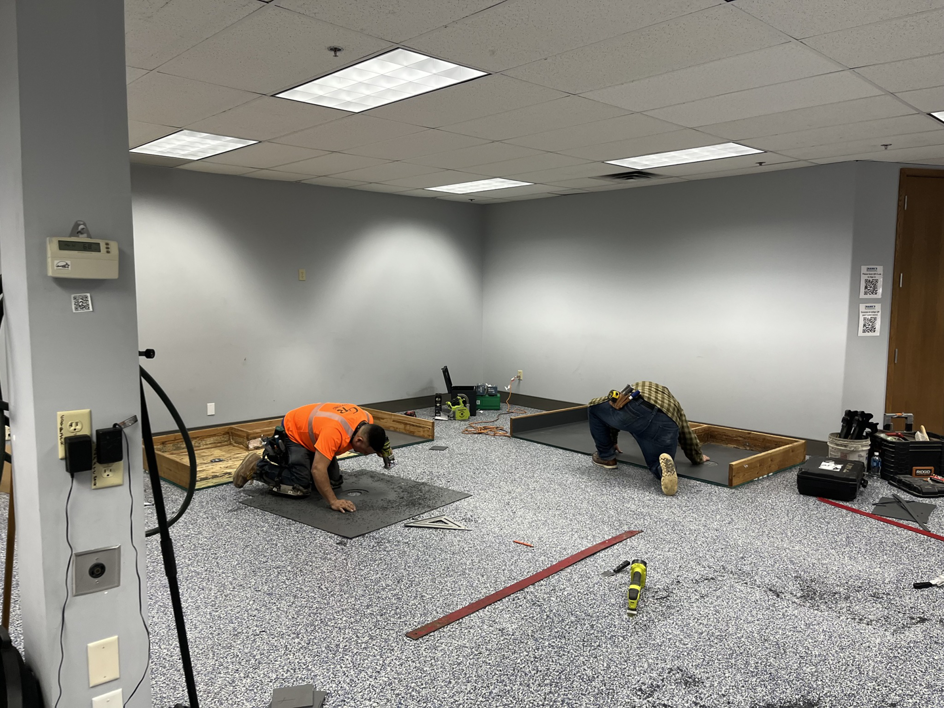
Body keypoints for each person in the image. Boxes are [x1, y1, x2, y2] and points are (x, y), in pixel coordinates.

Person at [233, 403, 392, 513]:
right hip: (295, 431)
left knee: (333, 482)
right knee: (301, 486)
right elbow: (318, 469)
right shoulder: (335, 433)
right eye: (365, 451)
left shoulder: (367, 421)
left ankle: (305, 461)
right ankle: (257, 467)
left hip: (317, 433)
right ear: (359, 440)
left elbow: (379, 438)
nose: (365, 454)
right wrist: (333, 502)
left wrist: (383, 451)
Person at [587, 382, 709, 496]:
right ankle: (661, 470)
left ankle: (606, 458)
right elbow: (686, 432)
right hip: (666, 423)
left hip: (636, 410)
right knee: (658, 462)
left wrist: (612, 441)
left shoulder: (637, 387)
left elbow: (610, 411)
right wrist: (697, 457)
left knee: (594, 408)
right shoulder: (673, 403)